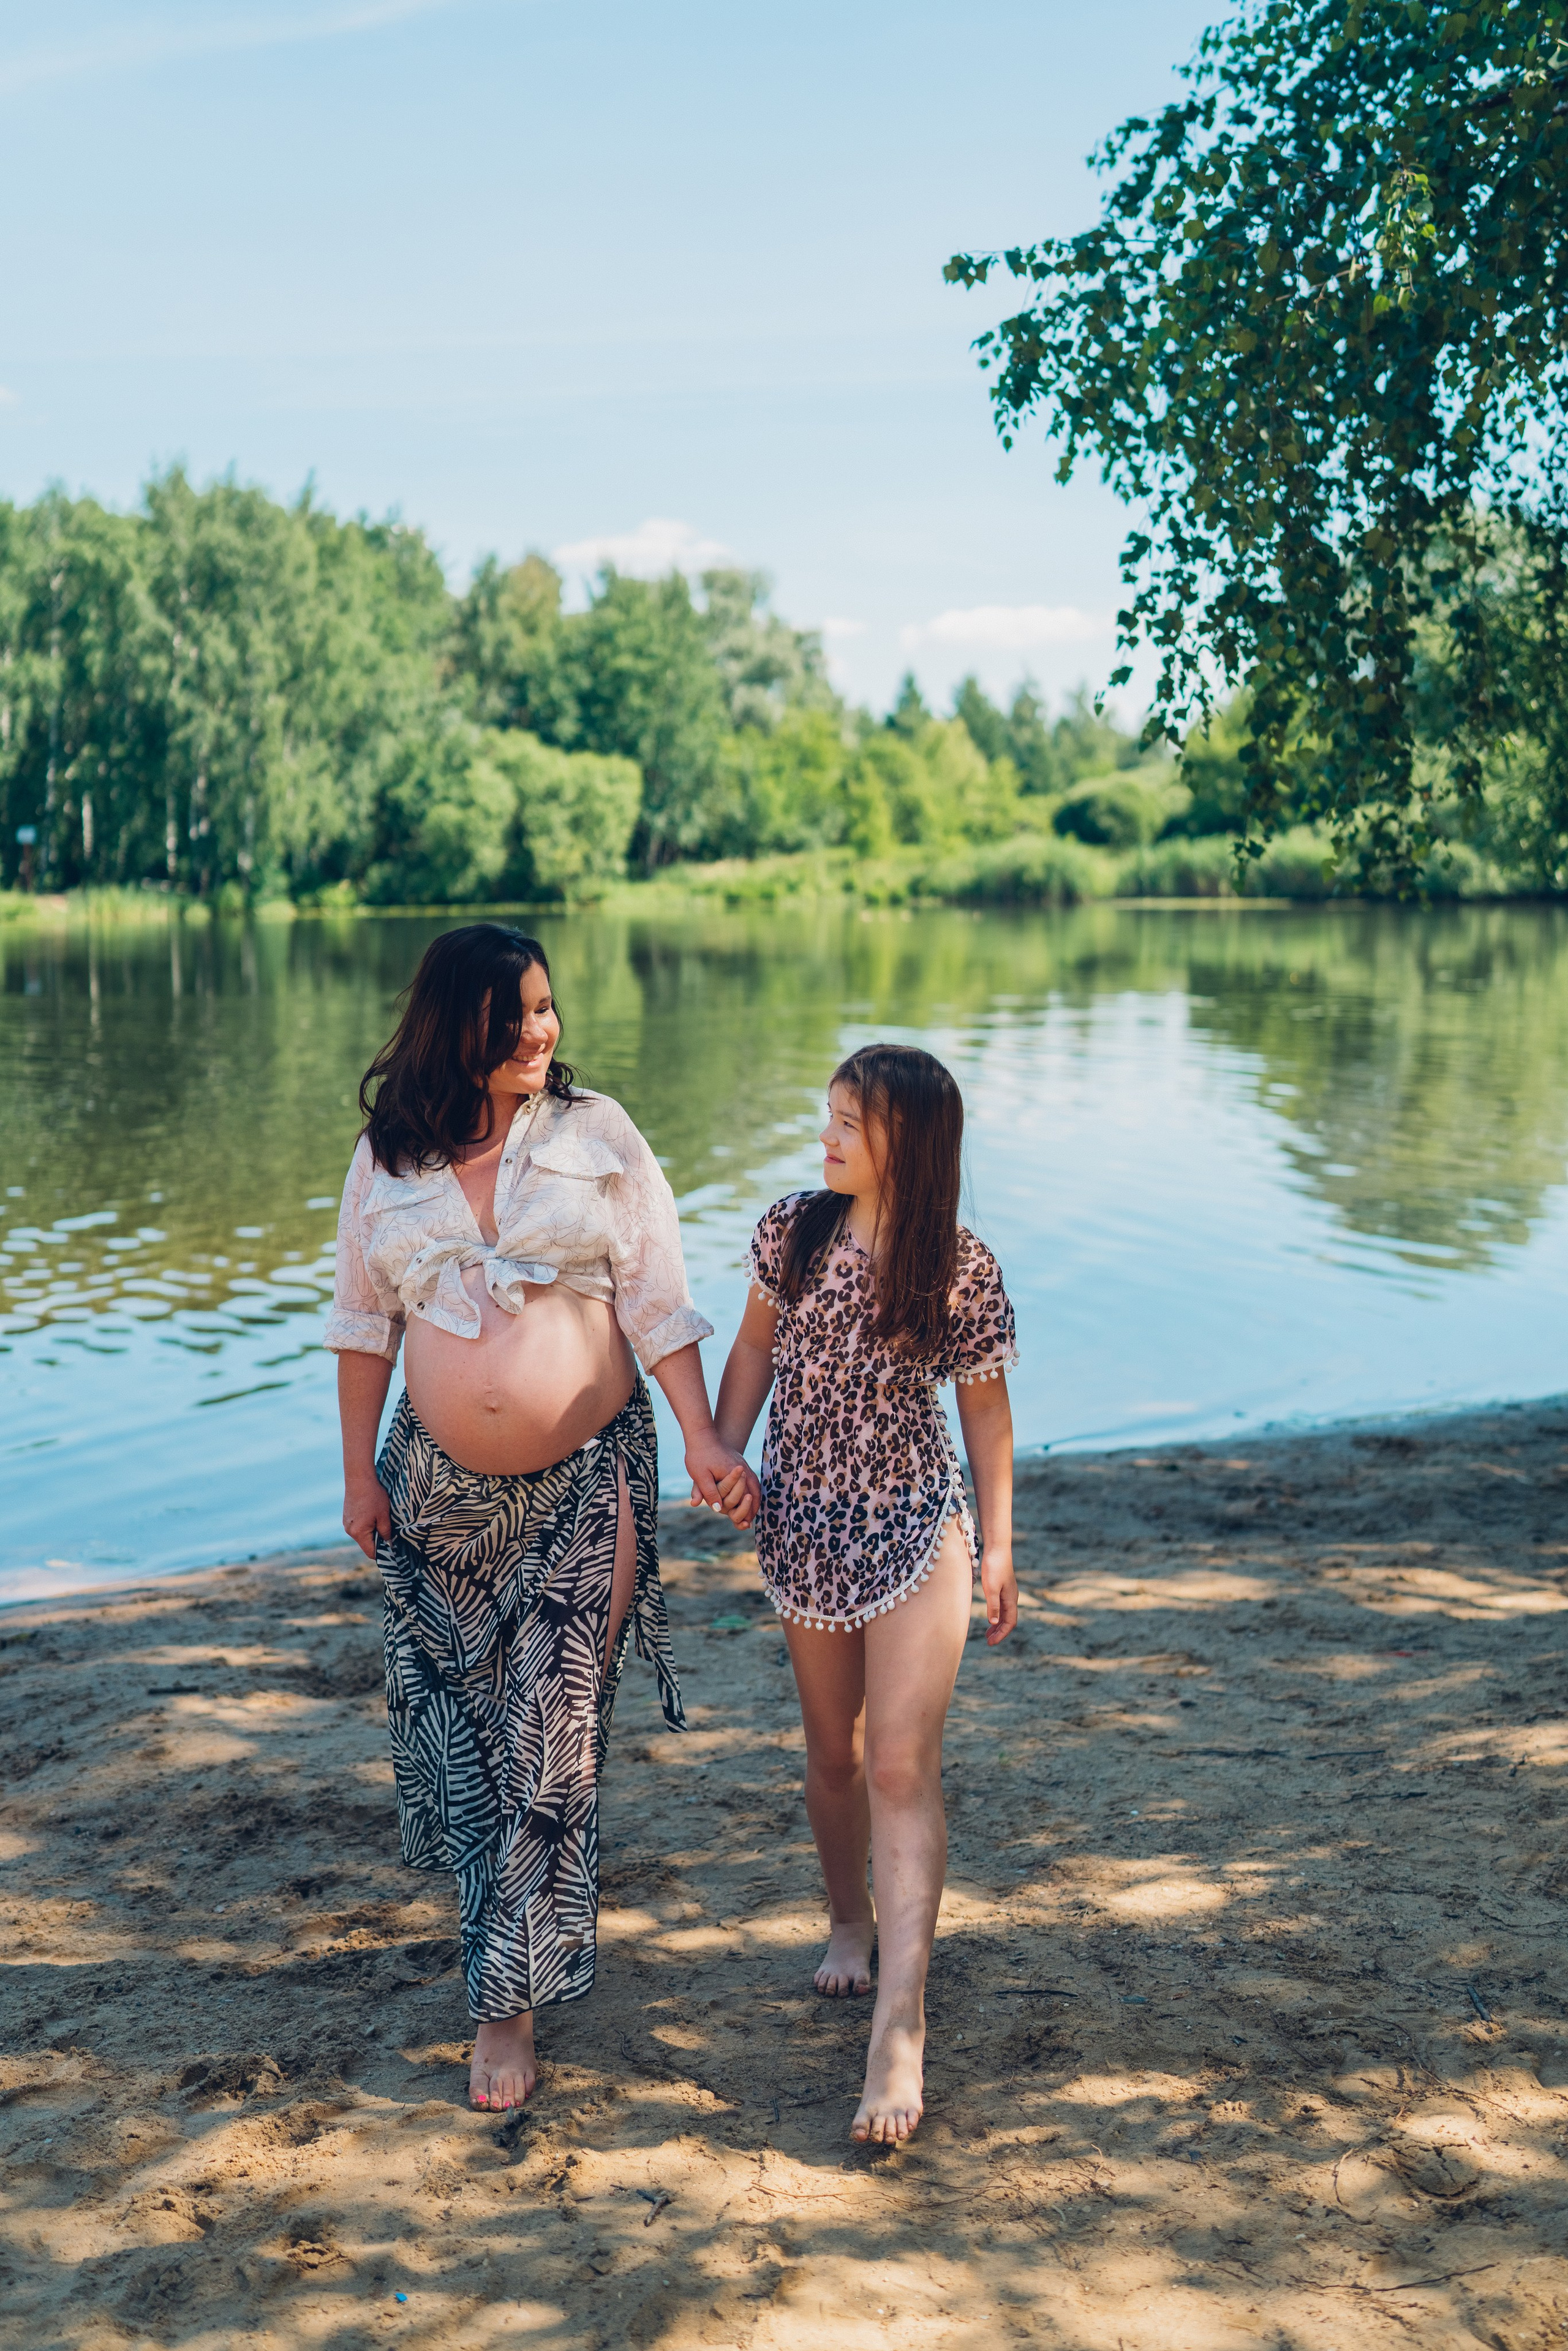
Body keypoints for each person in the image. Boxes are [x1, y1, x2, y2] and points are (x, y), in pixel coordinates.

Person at [326, 923, 756, 2113]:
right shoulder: (389, 1156)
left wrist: (705, 1437)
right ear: (451, 1023)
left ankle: (501, 2009)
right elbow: (365, 1324)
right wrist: (358, 1474)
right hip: (434, 1495)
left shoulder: (596, 1132)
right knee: (470, 1746)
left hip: (585, 1480)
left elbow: (655, 1293)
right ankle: (506, 1947)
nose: (538, 1030)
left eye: (546, 1007)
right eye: (512, 1012)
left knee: (550, 1737)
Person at [709, 1042, 1017, 2146]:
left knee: (897, 1758)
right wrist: (723, 1451)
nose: (828, 1134)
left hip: (919, 1521)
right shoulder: (793, 1230)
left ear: (909, 1144)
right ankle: (851, 1921)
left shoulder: (960, 1266)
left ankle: (901, 2022)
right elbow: (751, 1351)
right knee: (831, 1750)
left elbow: (983, 1414)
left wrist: (996, 1541)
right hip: (807, 1519)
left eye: (851, 1121)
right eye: (828, 1113)